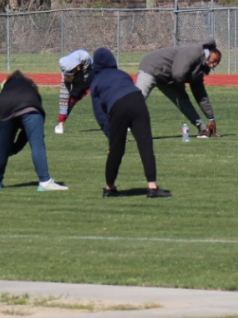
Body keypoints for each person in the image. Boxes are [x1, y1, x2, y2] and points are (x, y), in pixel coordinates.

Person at [89, 47, 171, 199]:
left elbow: (100, 114)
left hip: (117, 106)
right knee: (145, 144)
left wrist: (110, 137)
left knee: (116, 150)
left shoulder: (95, 83)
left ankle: (109, 188)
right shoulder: (123, 74)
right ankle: (152, 187)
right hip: (137, 100)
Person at [0, 70, 67, 192]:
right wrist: (15, 149)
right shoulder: (31, 88)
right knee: (37, 143)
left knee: (2, 147)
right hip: (30, 105)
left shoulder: (6, 89)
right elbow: (28, 134)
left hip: (5, 107)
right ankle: (44, 181)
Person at [137, 41, 220, 138]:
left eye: (217, 63)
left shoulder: (199, 70)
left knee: (183, 100)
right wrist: (181, 90)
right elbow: (178, 74)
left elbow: (201, 96)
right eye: (215, 60)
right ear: (209, 54)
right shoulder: (192, 53)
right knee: (136, 101)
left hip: (166, 76)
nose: (215, 64)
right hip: (151, 67)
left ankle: (203, 129)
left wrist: (211, 117)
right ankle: (118, 131)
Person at [54, 49, 93, 135]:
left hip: (95, 78)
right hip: (79, 85)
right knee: (69, 101)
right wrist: (61, 118)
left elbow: (88, 74)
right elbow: (64, 97)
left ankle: (122, 121)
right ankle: (60, 124)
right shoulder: (66, 75)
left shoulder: (84, 57)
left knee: (103, 99)